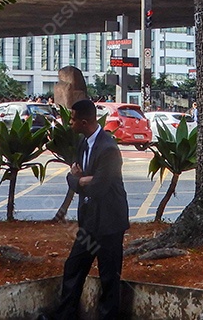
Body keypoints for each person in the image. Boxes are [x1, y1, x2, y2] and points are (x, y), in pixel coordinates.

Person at [46, 98, 129, 320]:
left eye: (72, 119)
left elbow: (99, 188)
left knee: (109, 277)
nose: (69, 123)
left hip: (110, 224)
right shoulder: (84, 143)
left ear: (84, 121)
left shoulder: (108, 148)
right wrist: (81, 180)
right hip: (89, 222)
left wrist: (79, 180)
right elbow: (76, 175)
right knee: (73, 267)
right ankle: (65, 315)